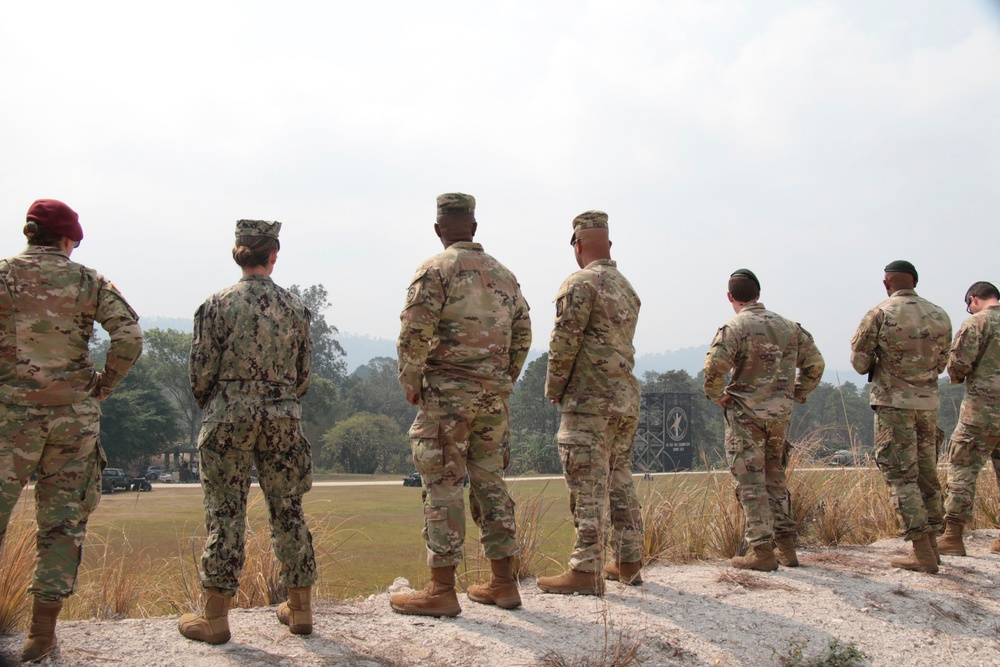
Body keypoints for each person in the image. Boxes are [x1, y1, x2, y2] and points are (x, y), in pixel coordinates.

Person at [0, 199, 143, 662]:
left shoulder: (3, 274)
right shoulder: (88, 280)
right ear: (67, 240)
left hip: (9, 415)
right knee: (62, 524)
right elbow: (129, 337)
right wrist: (102, 386)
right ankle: (41, 635)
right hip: (72, 419)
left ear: (29, 234)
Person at [390, 193, 531, 617]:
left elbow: (414, 330)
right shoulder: (505, 276)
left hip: (449, 394)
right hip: (493, 396)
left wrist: (411, 381)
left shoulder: (436, 269)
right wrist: (503, 378)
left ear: (439, 229)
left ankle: (441, 589)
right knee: (490, 482)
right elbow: (523, 332)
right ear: (473, 226)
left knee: (444, 483)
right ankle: (504, 582)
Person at [179, 220, 316, 644]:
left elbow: (200, 374)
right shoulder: (295, 307)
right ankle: (300, 609)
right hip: (281, 418)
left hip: (228, 417)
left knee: (225, 515)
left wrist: (223, 401)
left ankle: (215, 619)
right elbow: (303, 376)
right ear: (274, 256)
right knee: (288, 509)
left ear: (238, 253)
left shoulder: (216, 305)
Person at [536, 210, 643, 596]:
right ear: (609, 244)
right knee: (619, 481)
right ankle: (629, 562)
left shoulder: (580, 283)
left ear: (578, 245)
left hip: (588, 400)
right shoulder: (627, 288)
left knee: (586, 486)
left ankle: (586, 570)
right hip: (624, 400)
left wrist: (554, 387)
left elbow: (564, 341)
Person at [703, 269, 824, 571]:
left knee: (750, 483)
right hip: (779, 417)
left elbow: (714, 367)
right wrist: (795, 393)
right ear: (758, 293)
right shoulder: (789, 327)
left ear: (730, 297)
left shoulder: (735, 327)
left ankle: (761, 552)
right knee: (775, 478)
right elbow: (816, 364)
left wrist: (718, 395)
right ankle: (787, 548)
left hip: (745, 416)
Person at [850, 260, 952, 573]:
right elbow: (942, 362)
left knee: (899, 473)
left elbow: (859, 362)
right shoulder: (940, 315)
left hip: (894, 405)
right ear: (915, 281)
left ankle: (921, 550)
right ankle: (933, 543)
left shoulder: (880, 314)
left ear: (886, 284)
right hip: (927, 404)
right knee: (926, 472)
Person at [937, 281, 1000, 557]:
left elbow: (958, 366)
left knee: (962, 469)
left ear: (975, 299)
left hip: (981, 413)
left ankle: (953, 537)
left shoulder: (976, 323)